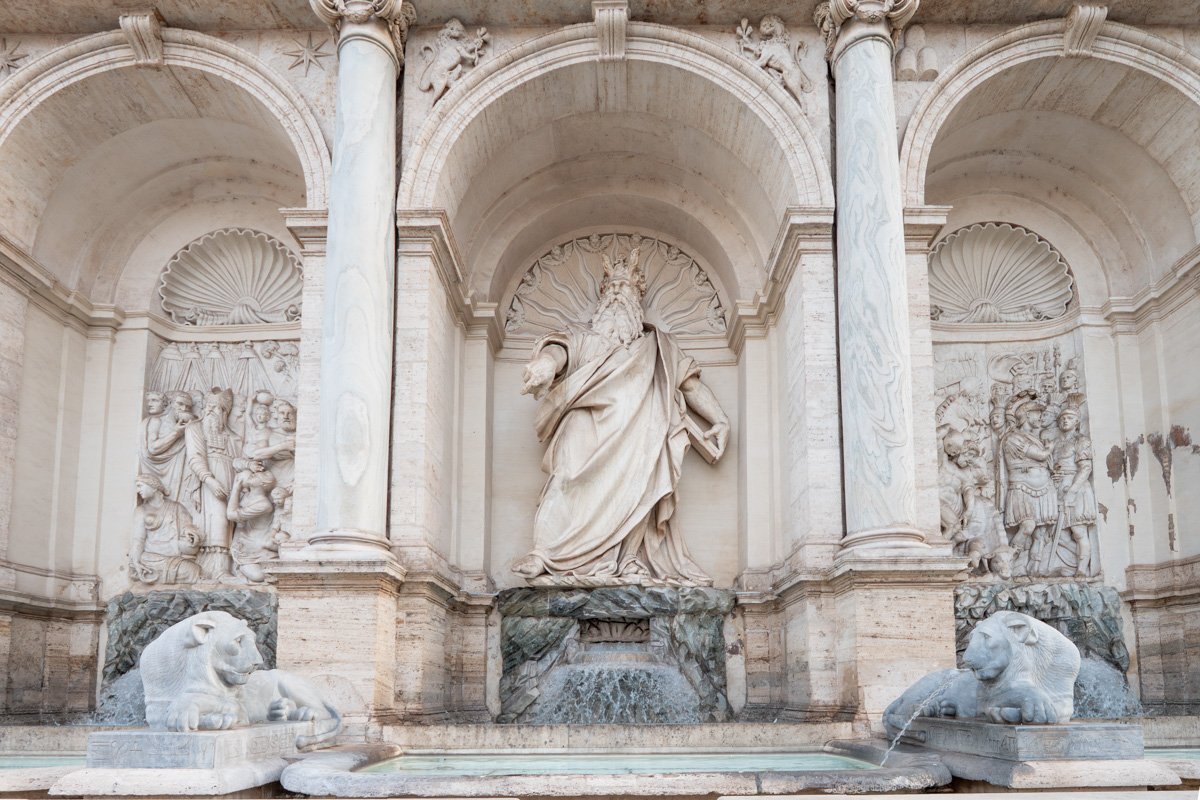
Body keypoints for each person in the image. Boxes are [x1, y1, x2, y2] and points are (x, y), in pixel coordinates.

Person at [512, 248, 730, 586]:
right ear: (602, 303)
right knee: (566, 476)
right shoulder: (583, 338)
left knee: (642, 480)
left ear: (636, 301)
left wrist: (719, 419)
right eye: (612, 292)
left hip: (641, 431)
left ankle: (629, 559)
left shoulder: (658, 347)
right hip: (585, 429)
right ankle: (547, 552)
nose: (617, 298)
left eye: (624, 292)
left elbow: (689, 385)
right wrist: (545, 365)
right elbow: (559, 351)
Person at [185, 388, 242, 579]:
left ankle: (223, 568)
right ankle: (217, 570)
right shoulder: (195, 428)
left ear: (225, 412)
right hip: (209, 480)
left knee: (228, 524)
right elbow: (195, 457)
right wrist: (209, 481)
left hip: (231, 481)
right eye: (208, 407)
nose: (210, 411)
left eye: (216, 408)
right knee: (216, 521)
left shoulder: (233, 437)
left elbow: (238, 460)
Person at [1000, 392, 1056, 575]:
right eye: (1035, 413)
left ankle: (1034, 570)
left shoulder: (1036, 439)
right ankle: (1010, 563)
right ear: (1024, 415)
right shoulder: (1013, 438)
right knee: (1028, 526)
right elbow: (1040, 456)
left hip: (1044, 488)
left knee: (1040, 534)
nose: (1039, 417)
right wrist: (1049, 449)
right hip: (1023, 488)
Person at [1047, 399, 1099, 576]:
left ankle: (1082, 569)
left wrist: (1072, 491)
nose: (1064, 420)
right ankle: (1065, 565)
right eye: (1062, 418)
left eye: (1069, 417)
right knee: (1055, 530)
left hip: (1076, 489)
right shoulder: (1056, 443)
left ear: (1076, 421)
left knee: (1078, 531)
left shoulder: (1081, 441)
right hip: (1058, 488)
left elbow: (1085, 468)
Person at [130, 474, 201, 584]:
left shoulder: (176, 507)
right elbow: (138, 540)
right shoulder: (141, 511)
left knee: (193, 571)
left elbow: (188, 526)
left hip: (173, 554)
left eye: (140, 486)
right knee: (139, 568)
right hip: (151, 557)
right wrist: (136, 562)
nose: (138, 490)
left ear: (153, 487)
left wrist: (190, 534)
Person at [227, 459, 278, 583]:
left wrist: (236, 488)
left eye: (256, 476)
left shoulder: (264, 504)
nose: (253, 474)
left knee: (258, 576)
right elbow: (235, 463)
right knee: (257, 575)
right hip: (244, 543)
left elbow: (231, 514)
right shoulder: (248, 495)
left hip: (257, 546)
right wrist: (249, 464)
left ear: (263, 484)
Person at [138, 391, 189, 503]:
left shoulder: (166, 419)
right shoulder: (154, 421)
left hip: (174, 465)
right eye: (148, 401)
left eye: (154, 400)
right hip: (162, 466)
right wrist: (176, 433)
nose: (149, 404)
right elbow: (153, 449)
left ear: (166, 404)